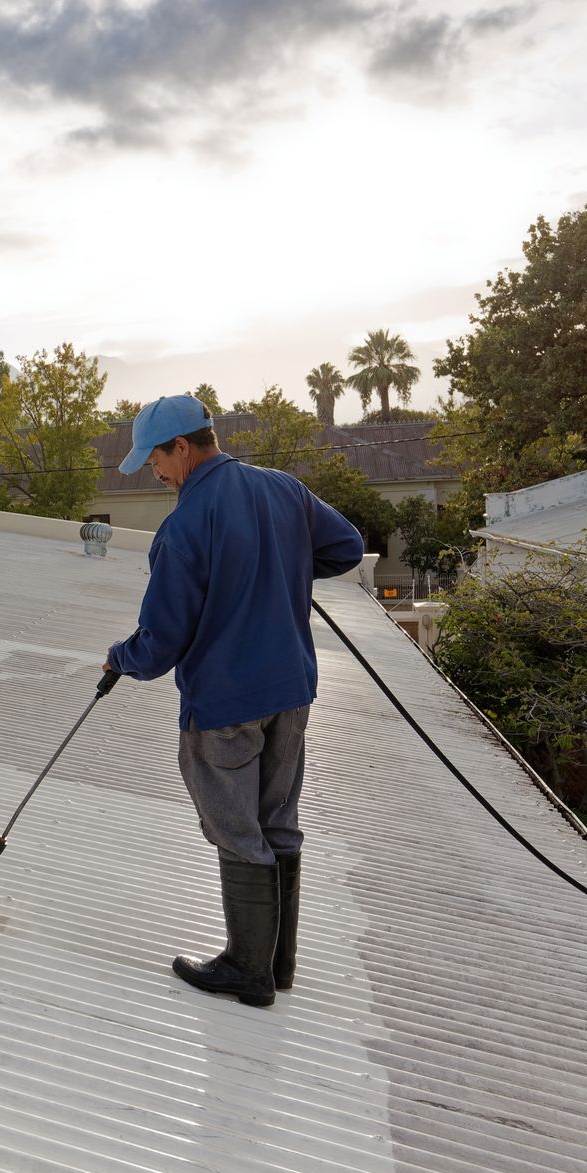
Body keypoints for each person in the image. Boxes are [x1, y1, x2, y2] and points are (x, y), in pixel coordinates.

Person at [105, 394, 364, 1007]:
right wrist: (282, 568)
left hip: (225, 703)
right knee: (277, 822)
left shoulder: (185, 525)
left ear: (185, 448)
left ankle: (247, 971)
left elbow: (162, 638)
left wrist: (122, 656)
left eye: (156, 461)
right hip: (291, 691)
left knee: (235, 827)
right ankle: (278, 967)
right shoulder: (284, 490)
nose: (156, 473)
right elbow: (346, 547)